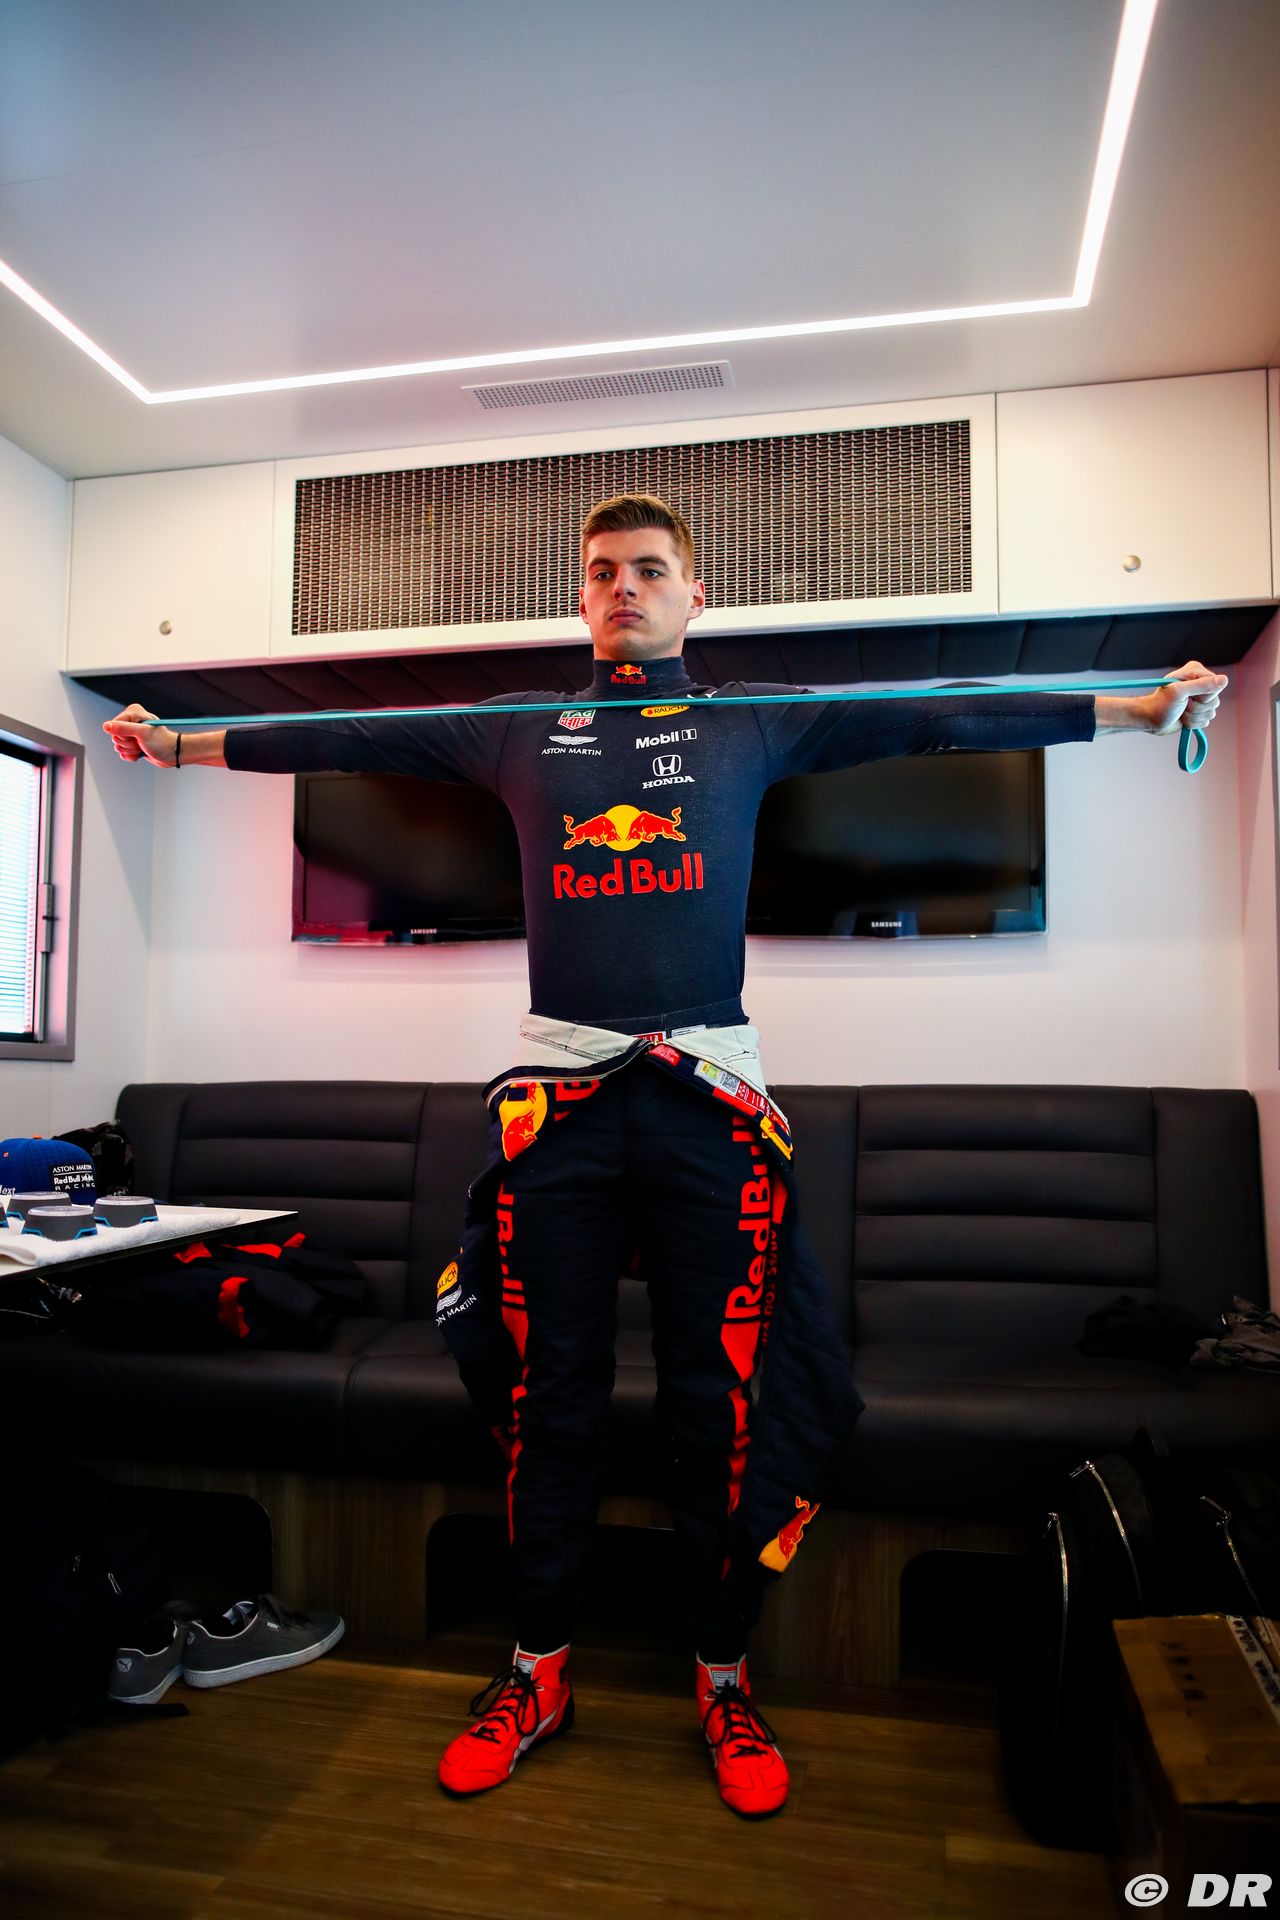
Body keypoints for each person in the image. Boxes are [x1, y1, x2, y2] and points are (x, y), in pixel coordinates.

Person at [105, 493, 1227, 1819]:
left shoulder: (754, 717)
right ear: (581, 600)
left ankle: (723, 1675)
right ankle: (536, 1670)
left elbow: (937, 712)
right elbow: (350, 735)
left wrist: (1136, 707)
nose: (623, 587)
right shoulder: (521, 726)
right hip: (560, 1109)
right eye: (601, 572)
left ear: (696, 596)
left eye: (648, 569)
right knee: (551, 1396)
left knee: (722, 1399)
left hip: (708, 1105)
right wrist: (176, 746)